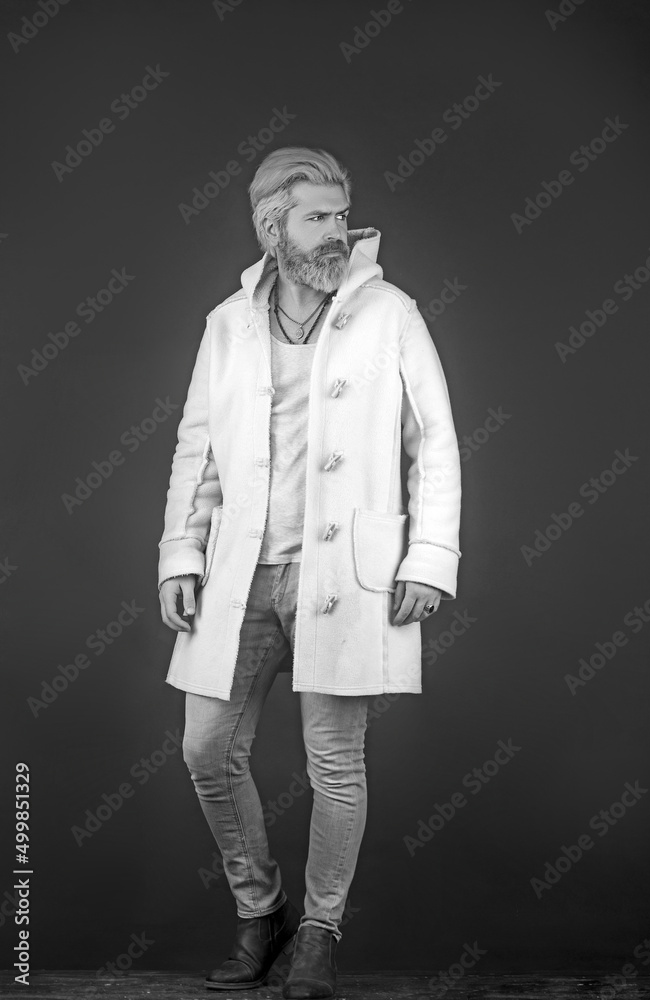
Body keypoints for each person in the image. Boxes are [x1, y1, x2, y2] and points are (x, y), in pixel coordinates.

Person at [157, 146, 462, 998]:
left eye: (341, 214)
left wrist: (428, 557)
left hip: (346, 576)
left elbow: (433, 440)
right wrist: (180, 552)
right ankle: (261, 912)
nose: (337, 230)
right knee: (206, 748)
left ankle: (320, 934)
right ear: (272, 228)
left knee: (335, 762)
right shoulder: (227, 323)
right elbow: (196, 450)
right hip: (241, 573)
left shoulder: (389, 314)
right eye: (316, 216)